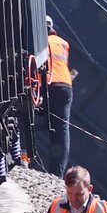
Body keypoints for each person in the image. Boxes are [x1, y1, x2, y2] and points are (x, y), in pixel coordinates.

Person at [44, 15, 75, 178]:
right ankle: (57, 172)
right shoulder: (64, 43)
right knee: (62, 129)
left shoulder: (41, 42)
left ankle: (22, 158)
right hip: (65, 86)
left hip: (48, 84)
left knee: (25, 117)